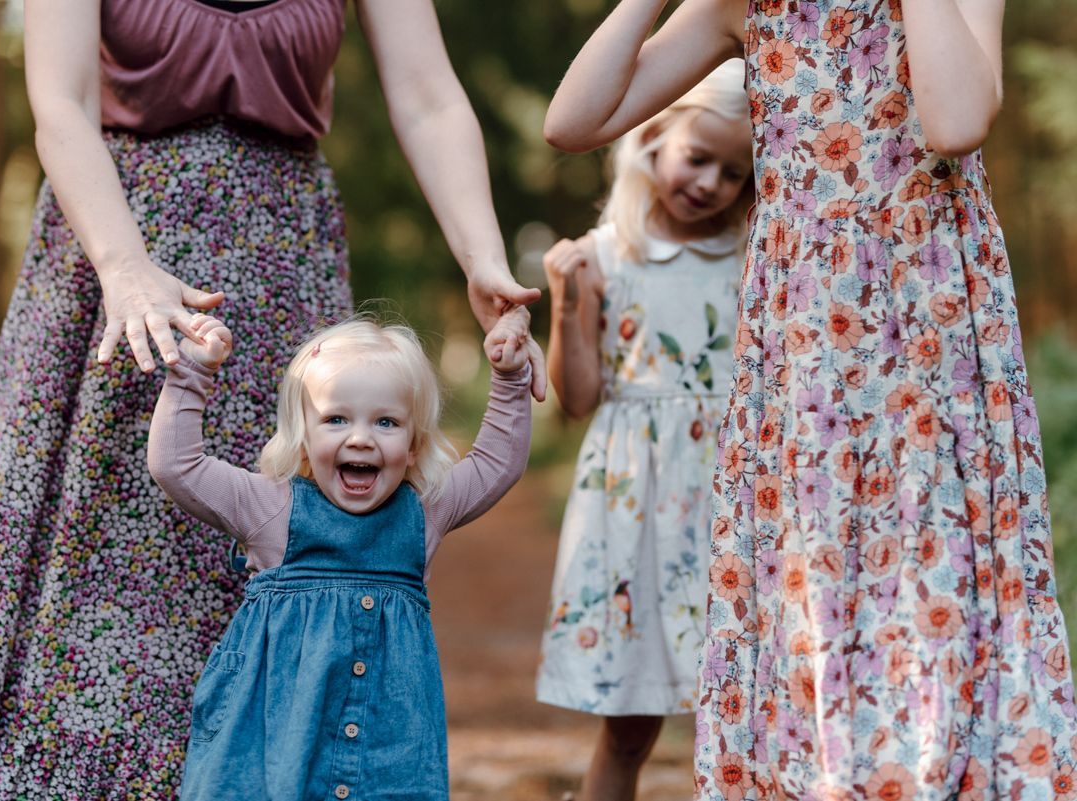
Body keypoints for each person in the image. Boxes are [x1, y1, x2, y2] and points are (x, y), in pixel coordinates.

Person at [0, 1, 544, 797]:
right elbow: (59, 104)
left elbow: (429, 95)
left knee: (285, 533)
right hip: (118, 245)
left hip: (279, 257)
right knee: (109, 544)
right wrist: (123, 268)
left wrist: (481, 256)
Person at [543, 0, 1077, 798]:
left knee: (935, 566)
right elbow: (574, 120)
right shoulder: (746, 6)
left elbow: (958, 121)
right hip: (806, 338)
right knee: (815, 576)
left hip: (928, 318)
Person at [146, 310, 531, 800]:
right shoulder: (271, 507)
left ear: (413, 445)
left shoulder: (424, 512)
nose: (361, 437)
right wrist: (193, 372)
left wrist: (510, 376)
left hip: (390, 745)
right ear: (303, 435)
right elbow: (176, 465)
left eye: (386, 421)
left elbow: (497, 461)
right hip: (271, 742)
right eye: (336, 419)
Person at [534, 59, 751, 801]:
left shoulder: (755, 256)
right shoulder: (602, 255)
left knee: (749, 697)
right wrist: (568, 305)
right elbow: (578, 397)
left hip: (728, 496)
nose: (710, 183)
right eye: (699, 157)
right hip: (635, 499)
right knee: (631, 719)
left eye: (733, 172)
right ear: (655, 136)